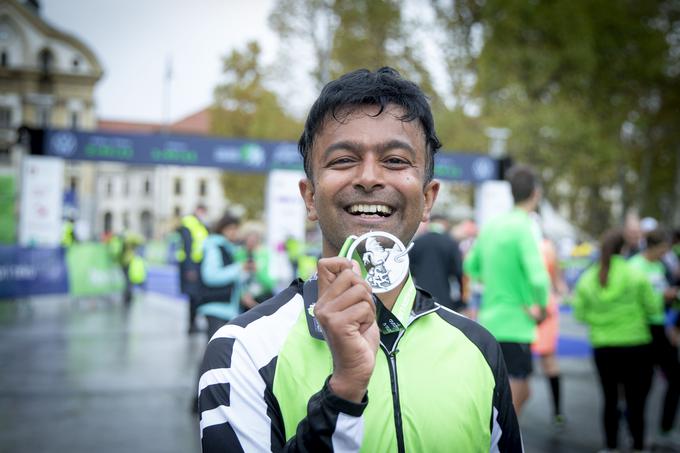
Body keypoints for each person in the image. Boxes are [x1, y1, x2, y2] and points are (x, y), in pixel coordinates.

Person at [198, 67, 522, 451]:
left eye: (397, 161)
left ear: (428, 199)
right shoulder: (242, 349)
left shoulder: (479, 347)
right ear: (309, 197)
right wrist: (343, 392)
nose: (369, 177)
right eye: (343, 160)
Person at [463, 165, 550, 416]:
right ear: (536, 193)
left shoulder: (492, 225)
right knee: (515, 397)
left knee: (504, 395)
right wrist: (541, 308)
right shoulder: (524, 226)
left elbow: (471, 265)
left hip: (489, 322)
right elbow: (539, 278)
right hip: (516, 324)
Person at [572, 228, 663, 453]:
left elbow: (580, 314)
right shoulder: (635, 274)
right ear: (625, 249)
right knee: (636, 402)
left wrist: (602, 320)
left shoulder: (588, 278)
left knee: (609, 399)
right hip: (636, 345)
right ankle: (638, 445)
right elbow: (653, 308)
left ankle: (610, 446)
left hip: (603, 346)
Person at [628, 228, 680, 448]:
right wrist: (662, 296)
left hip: (660, 329)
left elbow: (663, 295)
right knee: (641, 386)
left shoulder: (660, 266)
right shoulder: (634, 267)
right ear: (654, 247)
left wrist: (670, 297)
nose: (666, 253)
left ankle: (666, 429)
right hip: (640, 330)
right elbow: (633, 299)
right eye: (663, 249)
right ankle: (637, 436)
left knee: (675, 379)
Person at [192, 212, 247, 414]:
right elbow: (211, 275)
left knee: (215, 354)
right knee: (212, 355)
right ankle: (199, 399)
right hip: (216, 308)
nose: (235, 233)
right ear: (224, 229)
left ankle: (203, 399)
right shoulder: (215, 246)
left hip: (224, 308)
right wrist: (238, 268)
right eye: (232, 229)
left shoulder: (223, 247)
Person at [531, 236, 567, 427]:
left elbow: (556, 279)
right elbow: (557, 280)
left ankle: (558, 412)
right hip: (534, 307)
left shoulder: (543, 246)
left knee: (546, 361)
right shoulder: (547, 246)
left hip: (530, 308)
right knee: (547, 362)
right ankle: (558, 413)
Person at [409, 214, 464, 312]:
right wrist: (461, 301)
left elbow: (409, 270)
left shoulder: (417, 242)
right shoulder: (450, 242)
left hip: (420, 298)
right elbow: (459, 271)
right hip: (445, 297)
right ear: (445, 224)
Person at [176, 204, 209, 334]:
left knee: (196, 296)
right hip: (191, 265)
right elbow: (188, 246)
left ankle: (193, 324)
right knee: (193, 296)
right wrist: (190, 269)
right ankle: (191, 325)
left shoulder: (198, 224)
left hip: (198, 264)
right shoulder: (189, 224)